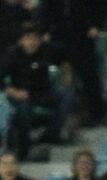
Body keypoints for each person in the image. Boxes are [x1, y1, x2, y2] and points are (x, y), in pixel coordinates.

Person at [0, 22, 70, 160]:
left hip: (43, 92)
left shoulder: (46, 50)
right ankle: (23, 147)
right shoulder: (11, 55)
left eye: (35, 38)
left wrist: (66, 75)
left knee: (65, 97)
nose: (32, 42)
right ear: (21, 40)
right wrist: (13, 92)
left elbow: (65, 57)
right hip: (20, 94)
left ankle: (51, 135)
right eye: (28, 38)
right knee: (24, 109)